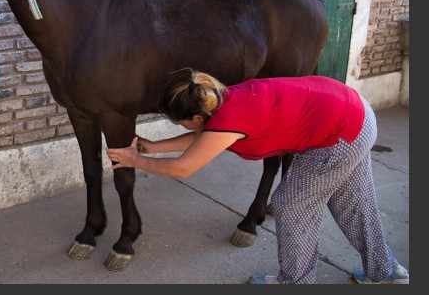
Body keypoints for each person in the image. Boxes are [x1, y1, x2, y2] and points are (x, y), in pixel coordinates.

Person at [106, 68, 408, 284]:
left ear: (196, 117)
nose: (181, 126)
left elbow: (184, 167)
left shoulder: (228, 118)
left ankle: (296, 283)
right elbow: (208, 137)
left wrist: (135, 160)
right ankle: (385, 270)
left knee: (292, 205)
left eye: (178, 122)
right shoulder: (223, 99)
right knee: (353, 201)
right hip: (355, 113)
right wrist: (153, 148)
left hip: (340, 135)